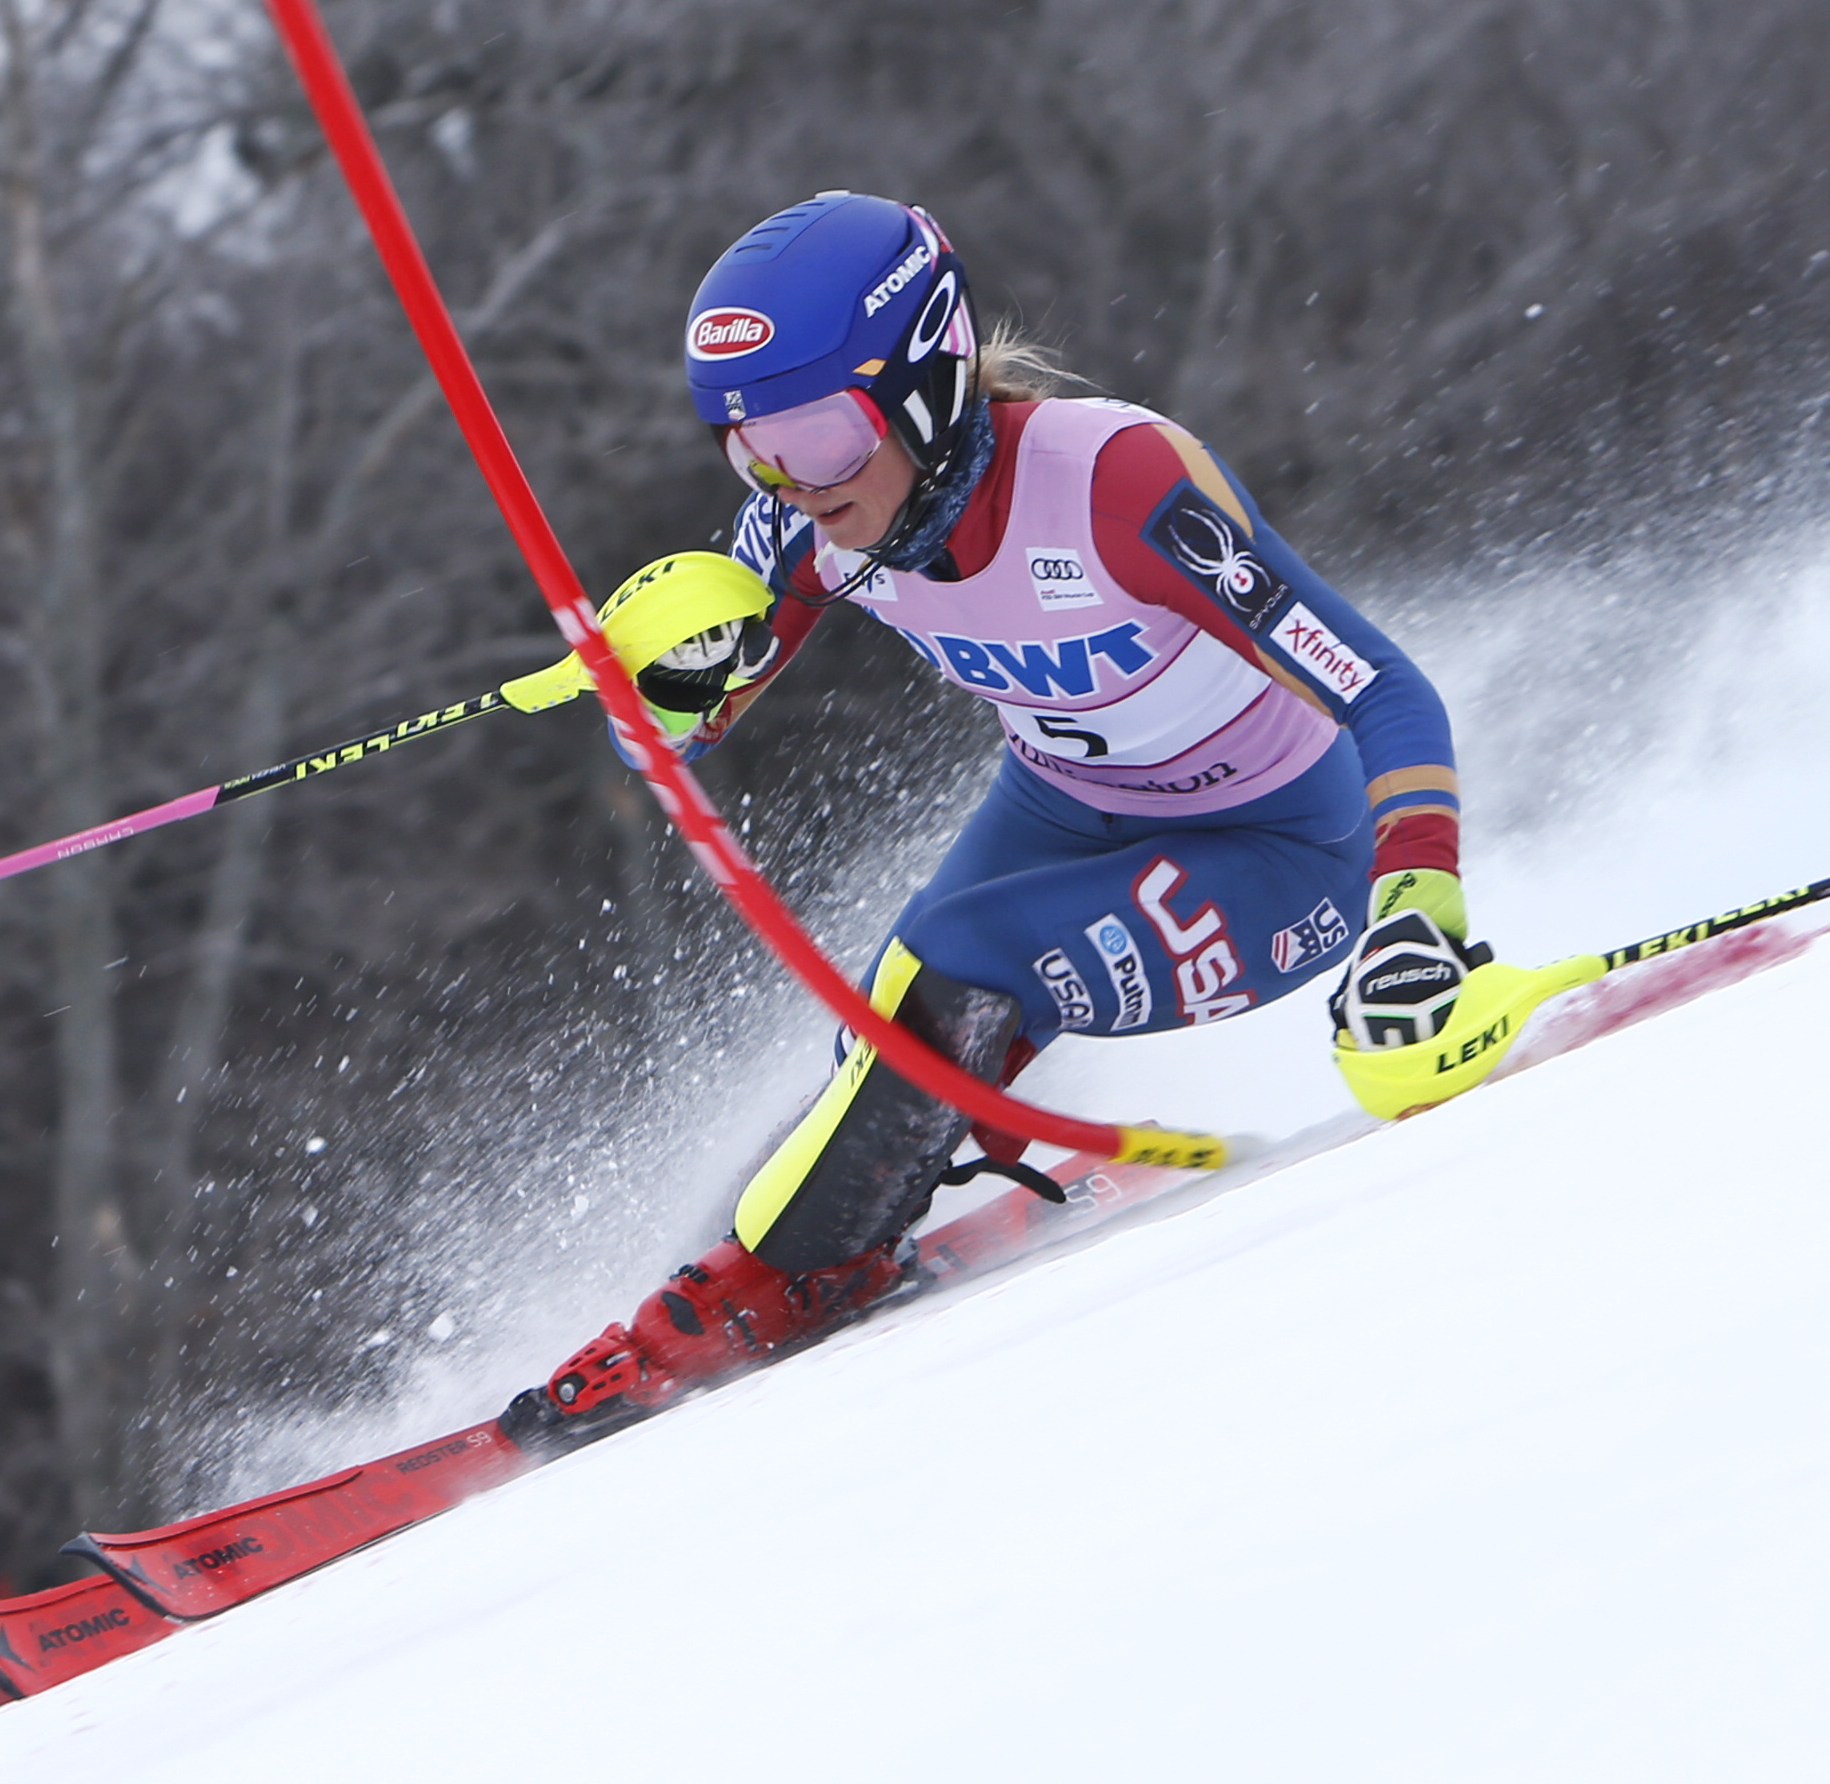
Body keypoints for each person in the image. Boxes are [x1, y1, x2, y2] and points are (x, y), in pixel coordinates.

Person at [498, 191, 1475, 1449]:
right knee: (882, 1020)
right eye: (749, 448)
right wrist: (657, 686)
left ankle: (752, 1295)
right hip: (1066, 809)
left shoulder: (1114, 482)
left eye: (817, 435)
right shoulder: (811, 520)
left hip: (1282, 850)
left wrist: (1418, 903)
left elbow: (1384, 689)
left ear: (923, 385)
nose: (793, 482)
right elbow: (698, 719)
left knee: (958, 968)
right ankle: (783, 1259)